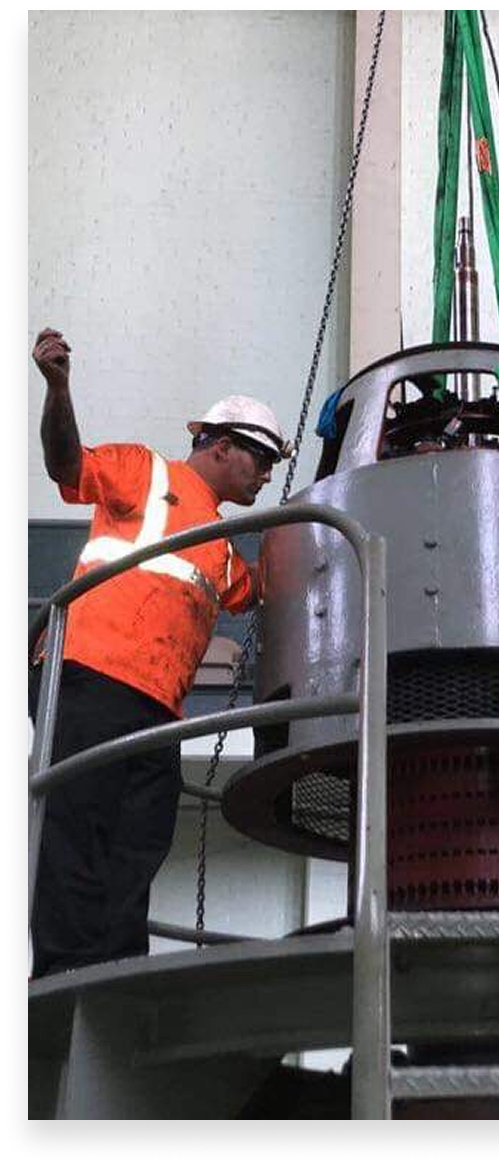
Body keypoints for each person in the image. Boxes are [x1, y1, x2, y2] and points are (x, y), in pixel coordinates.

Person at [30, 326, 291, 978]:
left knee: (142, 839)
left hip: (157, 706)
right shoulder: (142, 471)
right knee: (76, 821)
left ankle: (116, 971)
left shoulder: (224, 545)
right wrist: (58, 389)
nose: (265, 476)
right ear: (223, 446)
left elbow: (260, 590)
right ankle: (66, 971)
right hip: (88, 672)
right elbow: (66, 465)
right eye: (261, 460)